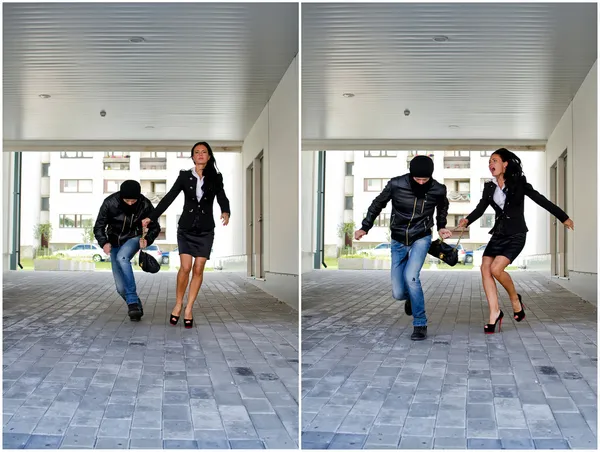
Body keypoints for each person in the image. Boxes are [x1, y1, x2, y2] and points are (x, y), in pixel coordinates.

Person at [458, 148, 574, 334]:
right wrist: (467, 220)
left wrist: (563, 217)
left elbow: (540, 199)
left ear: (505, 164)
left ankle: (514, 299)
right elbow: (481, 209)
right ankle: (494, 312)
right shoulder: (489, 187)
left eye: (494, 160)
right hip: (498, 234)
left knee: (496, 269)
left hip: (516, 234)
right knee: (484, 268)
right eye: (489, 161)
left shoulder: (519, 183)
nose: (491, 164)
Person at [355, 155, 452, 341]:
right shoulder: (396, 184)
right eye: (418, 179)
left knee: (411, 277)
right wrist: (365, 227)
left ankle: (420, 324)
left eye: (426, 179)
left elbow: (443, 207)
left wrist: (441, 226)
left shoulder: (438, 189)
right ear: (411, 174)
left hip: (421, 237)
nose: (422, 183)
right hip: (398, 239)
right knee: (398, 292)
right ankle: (410, 298)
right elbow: (377, 204)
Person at [142, 141, 230, 329]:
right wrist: (152, 217)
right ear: (192, 156)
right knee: (185, 267)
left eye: (204, 152)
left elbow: (221, 195)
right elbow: (169, 197)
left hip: (206, 229)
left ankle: (189, 308)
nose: (200, 155)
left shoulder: (216, 177)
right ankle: (178, 303)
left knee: (199, 268)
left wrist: (226, 210)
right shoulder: (184, 176)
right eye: (196, 152)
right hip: (186, 229)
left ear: (208, 156)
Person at [94, 180, 161, 321]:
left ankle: (131, 303)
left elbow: (155, 227)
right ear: (121, 197)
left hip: (134, 237)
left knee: (122, 257)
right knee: (120, 288)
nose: (130, 203)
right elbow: (99, 226)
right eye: (127, 200)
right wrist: (104, 242)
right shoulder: (110, 203)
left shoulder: (145, 204)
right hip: (114, 242)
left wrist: (147, 239)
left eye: (133, 200)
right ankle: (136, 305)